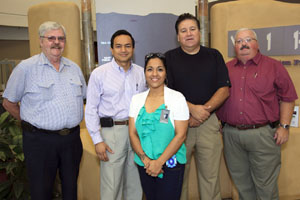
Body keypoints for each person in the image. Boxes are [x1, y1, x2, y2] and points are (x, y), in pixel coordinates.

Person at [2, 21, 86, 200]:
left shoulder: (74, 68)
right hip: (40, 142)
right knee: (41, 191)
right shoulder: (26, 68)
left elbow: (84, 98)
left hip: (71, 140)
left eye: (61, 38)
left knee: (71, 190)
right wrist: (28, 122)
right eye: (51, 38)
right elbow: (8, 103)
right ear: (41, 41)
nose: (56, 42)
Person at [217, 28, 298, 200]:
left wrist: (284, 127)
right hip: (231, 135)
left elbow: (288, 98)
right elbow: (218, 96)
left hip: (263, 135)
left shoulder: (274, 66)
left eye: (248, 40)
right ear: (235, 47)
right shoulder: (226, 69)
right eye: (238, 41)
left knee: (266, 186)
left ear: (257, 44)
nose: (243, 44)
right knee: (242, 184)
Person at [165, 13, 231, 200]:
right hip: (178, 126)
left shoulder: (214, 55)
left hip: (208, 124)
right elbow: (165, 92)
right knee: (178, 177)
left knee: (210, 178)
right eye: (183, 30)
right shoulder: (169, 58)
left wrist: (204, 111)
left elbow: (224, 89)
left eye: (192, 29)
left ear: (199, 32)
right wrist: (192, 109)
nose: (188, 34)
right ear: (178, 36)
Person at [85, 29, 145, 200]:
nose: (123, 50)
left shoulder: (141, 73)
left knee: (135, 182)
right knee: (112, 184)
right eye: (118, 46)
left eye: (127, 46)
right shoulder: (99, 74)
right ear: (111, 49)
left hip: (136, 131)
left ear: (133, 48)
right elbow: (91, 109)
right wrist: (97, 140)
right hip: (112, 133)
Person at [129, 53, 189, 200]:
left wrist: (159, 162)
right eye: (150, 69)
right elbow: (132, 133)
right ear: (145, 73)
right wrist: (146, 160)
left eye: (159, 69)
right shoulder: (136, 100)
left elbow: (181, 135)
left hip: (170, 164)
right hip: (145, 165)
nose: (154, 74)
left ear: (166, 72)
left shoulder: (177, 98)